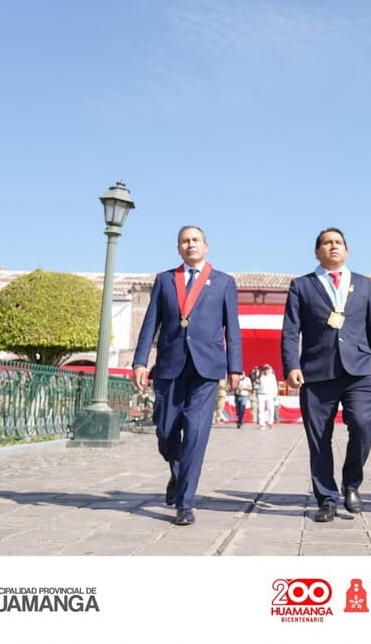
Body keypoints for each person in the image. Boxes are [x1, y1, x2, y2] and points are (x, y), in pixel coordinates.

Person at [132, 225, 243, 526]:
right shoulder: (166, 280)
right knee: (166, 433)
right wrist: (140, 362)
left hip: (206, 368)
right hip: (170, 366)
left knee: (195, 432)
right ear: (178, 248)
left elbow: (232, 329)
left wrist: (235, 367)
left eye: (196, 240)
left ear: (206, 246)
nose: (190, 244)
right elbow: (149, 323)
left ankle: (185, 503)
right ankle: (178, 474)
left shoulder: (223, 282)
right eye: (185, 241)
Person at [280, 227, 371, 522]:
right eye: (327, 243)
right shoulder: (302, 285)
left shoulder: (363, 285)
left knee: (364, 425)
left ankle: (351, 482)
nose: (333, 247)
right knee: (319, 439)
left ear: (347, 250)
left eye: (338, 243)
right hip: (317, 374)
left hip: (361, 371)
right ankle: (326, 498)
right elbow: (291, 331)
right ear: (317, 251)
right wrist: (292, 366)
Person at [256, 364, 278, 429]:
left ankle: (270, 422)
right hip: (261, 394)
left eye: (267, 369)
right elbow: (256, 386)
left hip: (269, 394)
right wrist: (257, 383)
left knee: (271, 409)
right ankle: (262, 424)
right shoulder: (260, 376)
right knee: (260, 409)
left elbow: (275, 386)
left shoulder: (272, 376)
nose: (266, 371)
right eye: (265, 369)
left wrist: (275, 394)